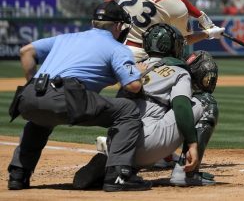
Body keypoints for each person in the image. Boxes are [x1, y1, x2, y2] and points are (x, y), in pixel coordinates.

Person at [7, 1, 152, 192]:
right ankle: (118, 175)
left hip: (28, 96)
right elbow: (133, 86)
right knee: (127, 110)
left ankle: (18, 175)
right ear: (118, 26)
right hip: (66, 98)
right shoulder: (117, 48)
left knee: (39, 120)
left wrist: (33, 84)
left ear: (93, 22)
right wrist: (139, 73)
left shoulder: (66, 38)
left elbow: (26, 51)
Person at [73, 24, 219, 188]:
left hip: (120, 144)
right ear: (172, 46)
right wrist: (192, 144)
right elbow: (181, 107)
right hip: (150, 143)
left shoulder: (135, 68)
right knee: (206, 101)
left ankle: (118, 168)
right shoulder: (178, 71)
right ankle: (186, 173)